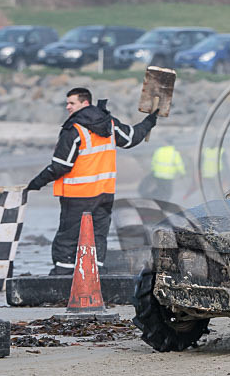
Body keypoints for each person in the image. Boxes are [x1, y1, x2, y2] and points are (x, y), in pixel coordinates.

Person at [26, 87, 158, 275]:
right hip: (104, 194)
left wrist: (36, 183)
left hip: (77, 195)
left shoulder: (74, 129)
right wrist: (149, 122)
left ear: (85, 103)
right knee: (98, 236)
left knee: (68, 239)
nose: (67, 107)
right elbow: (132, 138)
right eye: (67, 103)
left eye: (72, 103)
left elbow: (61, 166)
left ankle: (62, 277)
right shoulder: (109, 124)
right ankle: (95, 278)